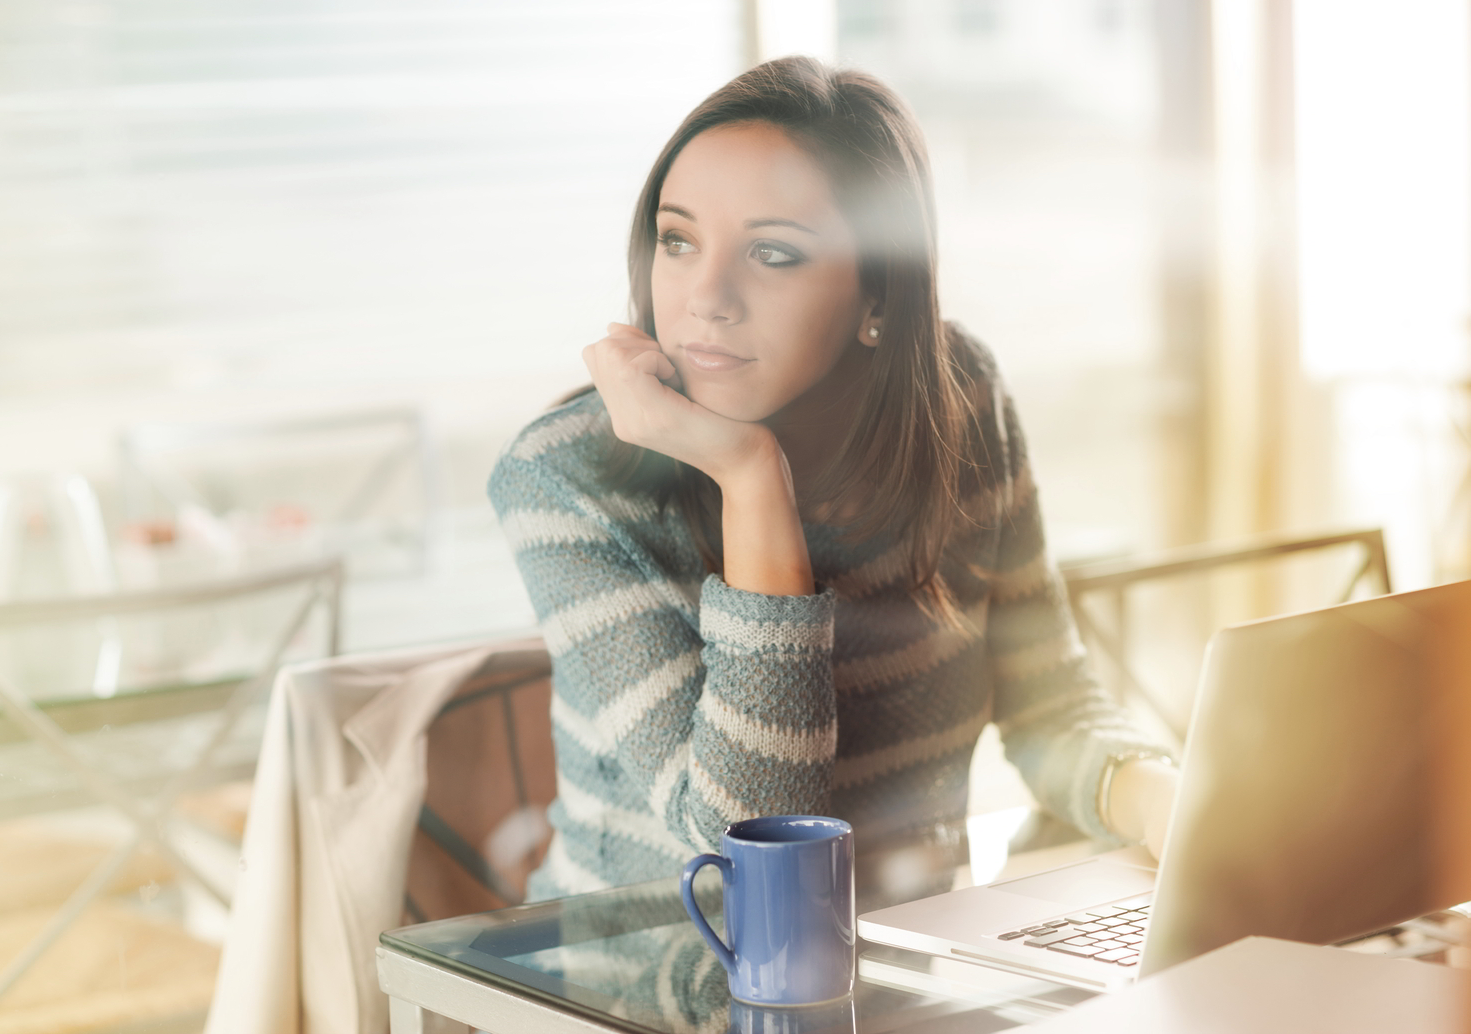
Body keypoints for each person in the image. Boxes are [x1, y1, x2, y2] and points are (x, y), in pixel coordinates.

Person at [489, 56, 1177, 905]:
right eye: (678, 239)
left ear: (877, 298)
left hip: (910, 969)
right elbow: (750, 849)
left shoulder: (958, 400)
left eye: (772, 253)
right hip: (640, 989)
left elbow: (1049, 705)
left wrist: (1170, 804)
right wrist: (751, 477)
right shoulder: (565, 480)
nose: (706, 297)